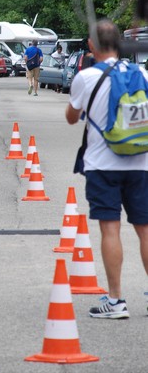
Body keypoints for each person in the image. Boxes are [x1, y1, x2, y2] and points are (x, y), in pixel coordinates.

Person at [65, 19, 148, 319]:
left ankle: (115, 301)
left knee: (110, 229)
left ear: (91, 45)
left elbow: (71, 117)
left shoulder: (86, 78)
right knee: (145, 229)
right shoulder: (142, 73)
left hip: (103, 164)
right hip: (141, 163)